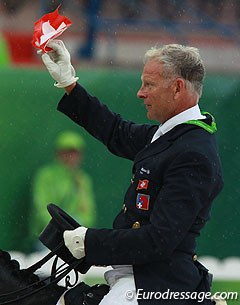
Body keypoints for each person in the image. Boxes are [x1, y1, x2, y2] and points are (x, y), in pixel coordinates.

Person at [41, 40, 224, 305]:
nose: (140, 93)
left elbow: (159, 240)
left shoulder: (192, 153)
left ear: (177, 88)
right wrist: (69, 83)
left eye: (149, 85)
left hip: (157, 283)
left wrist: (90, 241)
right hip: (132, 276)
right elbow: (115, 131)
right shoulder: (169, 136)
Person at [30, 130, 96, 246]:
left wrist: (76, 229)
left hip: (76, 237)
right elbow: (41, 209)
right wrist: (62, 228)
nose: (71, 157)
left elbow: (88, 214)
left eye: (75, 153)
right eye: (66, 152)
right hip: (47, 235)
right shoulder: (45, 175)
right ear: (58, 153)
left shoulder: (83, 179)